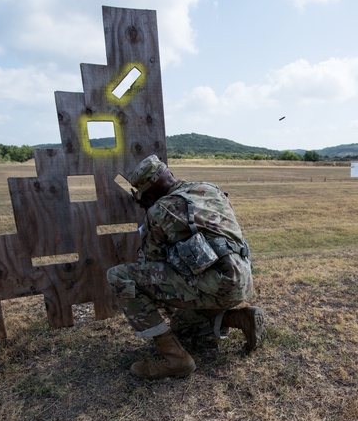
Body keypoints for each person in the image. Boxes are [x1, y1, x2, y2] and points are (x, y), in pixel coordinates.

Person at [106, 154, 264, 379]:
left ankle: (175, 360)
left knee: (120, 276)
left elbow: (150, 262)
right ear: (169, 174)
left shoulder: (159, 211)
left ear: (148, 194)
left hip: (215, 285)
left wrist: (150, 217)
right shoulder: (209, 189)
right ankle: (239, 318)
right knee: (181, 327)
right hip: (243, 280)